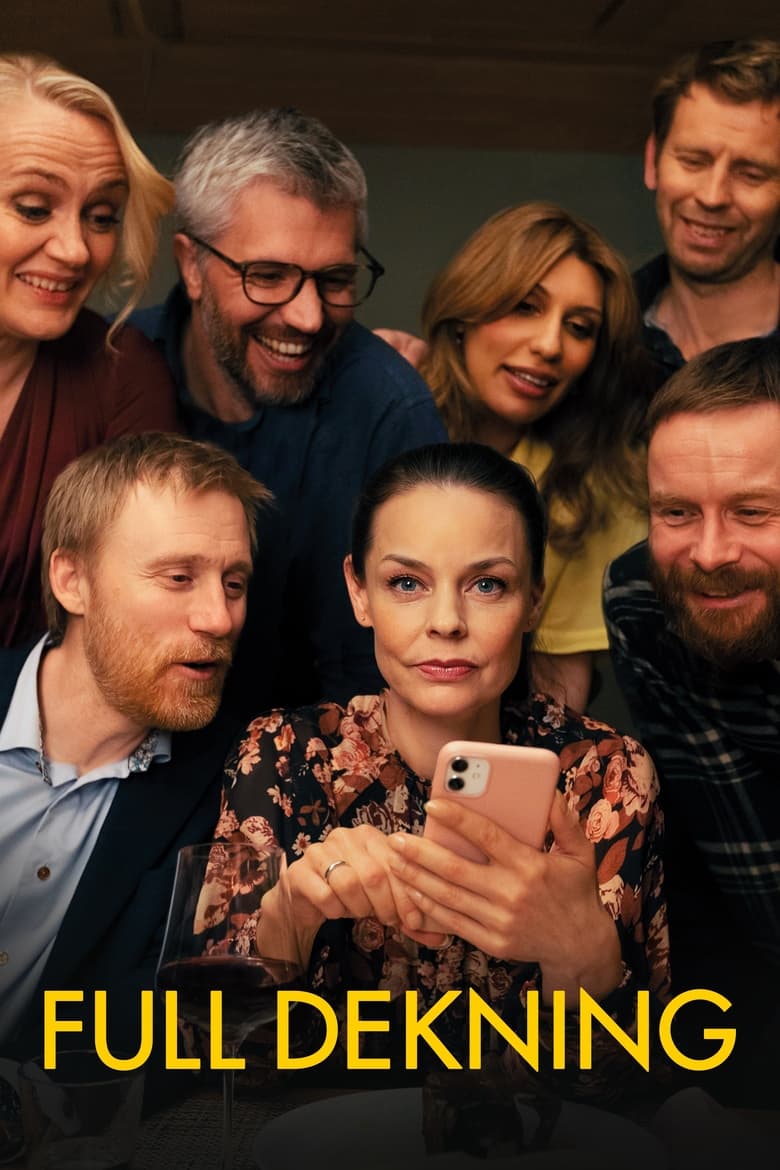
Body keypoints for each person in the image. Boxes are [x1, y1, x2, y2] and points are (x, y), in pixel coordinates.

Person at [209, 442, 670, 1105]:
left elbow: (639, 1103)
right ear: (359, 592)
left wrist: (584, 962)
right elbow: (216, 1068)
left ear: (534, 601)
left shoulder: (608, 775)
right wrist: (288, 920)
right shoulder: (281, 756)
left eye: (488, 585)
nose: (447, 622)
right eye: (407, 583)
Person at [132, 107, 446, 719]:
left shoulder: (388, 410)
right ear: (192, 265)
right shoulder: (114, 371)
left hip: (316, 757)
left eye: (335, 279)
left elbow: (389, 672)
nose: (308, 317)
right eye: (268, 276)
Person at [0, 433, 269, 1116]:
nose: (218, 618)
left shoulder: (241, 783)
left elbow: (176, 1033)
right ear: (72, 581)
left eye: (234, 584)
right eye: (178, 577)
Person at [604, 335, 780, 1106]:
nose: (710, 553)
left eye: (753, 511)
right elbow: (736, 863)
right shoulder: (645, 604)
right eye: (677, 512)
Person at [416, 203, 652, 711]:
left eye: (580, 327)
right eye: (526, 307)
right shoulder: (382, 418)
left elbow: (555, 697)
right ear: (466, 310)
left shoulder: (595, 489)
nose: (550, 345)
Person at [0, 52, 180, 648]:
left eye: (101, 216)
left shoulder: (122, 375)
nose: (76, 250)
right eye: (33, 208)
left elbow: (143, 620)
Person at [637, 38, 780, 378]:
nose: (712, 197)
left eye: (750, 174)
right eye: (693, 161)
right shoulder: (598, 344)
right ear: (652, 160)